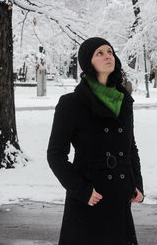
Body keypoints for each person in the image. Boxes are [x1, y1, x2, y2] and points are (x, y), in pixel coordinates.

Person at [47, 37, 144, 245]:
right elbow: (55, 154)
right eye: (99, 53)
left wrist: (136, 183)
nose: (107, 56)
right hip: (90, 197)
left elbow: (130, 147)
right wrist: (82, 190)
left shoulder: (123, 100)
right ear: (87, 62)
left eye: (109, 51)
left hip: (119, 196)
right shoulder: (71, 103)